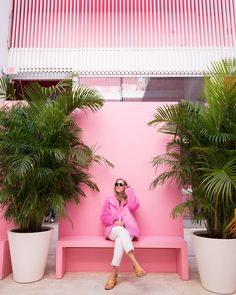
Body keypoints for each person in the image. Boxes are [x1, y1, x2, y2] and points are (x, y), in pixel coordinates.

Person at [101, 178, 146, 290]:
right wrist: (115, 222)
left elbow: (135, 206)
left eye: (121, 184)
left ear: (125, 186)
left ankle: (114, 275)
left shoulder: (128, 199)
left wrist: (129, 190)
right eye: (117, 183)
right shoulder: (109, 199)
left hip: (128, 230)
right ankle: (136, 264)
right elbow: (103, 215)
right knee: (120, 231)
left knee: (120, 240)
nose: (118, 185)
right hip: (113, 229)